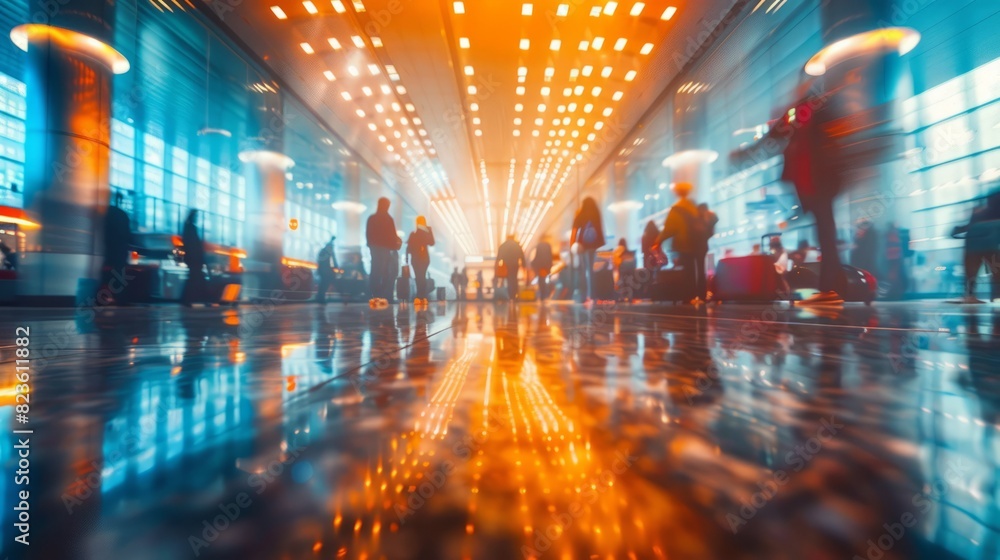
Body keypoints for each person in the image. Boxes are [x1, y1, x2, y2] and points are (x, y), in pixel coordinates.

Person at [780, 97, 847, 305]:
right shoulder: (803, 134)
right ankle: (834, 288)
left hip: (820, 190)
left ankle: (830, 289)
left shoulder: (813, 130)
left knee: (826, 239)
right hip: (815, 192)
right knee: (825, 239)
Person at [653, 182, 711, 303]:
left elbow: (669, 229)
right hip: (700, 243)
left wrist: (658, 241)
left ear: (677, 193)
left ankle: (689, 296)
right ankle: (702, 296)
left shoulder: (677, 209)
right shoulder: (694, 206)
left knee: (688, 270)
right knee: (701, 269)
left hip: (685, 244)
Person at [952, 192, 1000, 303]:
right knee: (996, 273)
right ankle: (993, 297)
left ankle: (970, 296)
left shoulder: (979, 213)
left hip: (974, 248)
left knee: (972, 275)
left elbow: (966, 228)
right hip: (987, 248)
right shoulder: (984, 214)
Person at [366, 197, 402, 307]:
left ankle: (374, 295)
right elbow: (392, 235)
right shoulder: (388, 219)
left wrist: (370, 245)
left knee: (375, 271)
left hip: (375, 248)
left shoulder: (372, 218)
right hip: (385, 249)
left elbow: (368, 234)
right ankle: (385, 296)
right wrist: (396, 243)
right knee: (386, 272)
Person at [570, 197, 605, 303]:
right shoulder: (596, 214)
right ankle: (594, 295)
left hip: (583, 247)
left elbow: (574, 231)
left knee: (584, 271)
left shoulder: (581, 214)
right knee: (593, 271)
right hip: (595, 247)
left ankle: (585, 295)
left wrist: (572, 244)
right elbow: (600, 230)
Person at [101, 192, 132, 304]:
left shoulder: (105, 213)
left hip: (108, 250)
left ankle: (105, 297)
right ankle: (117, 298)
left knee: (107, 273)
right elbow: (128, 235)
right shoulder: (123, 215)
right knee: (119, 274)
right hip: (121, 251)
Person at [406, 215, 435, 304]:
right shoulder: (424, 232)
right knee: (421, 276)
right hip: (423, 258)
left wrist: (407, 258)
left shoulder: (414, 234)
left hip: (416, 259)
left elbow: (409, 247)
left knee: (419, 277)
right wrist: (428, 231)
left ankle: (420, 295)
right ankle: (422, 296)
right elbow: (432, 242)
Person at [181, 209, 207, 307]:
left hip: (192, 258)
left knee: (192, 278)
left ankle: (187, 299)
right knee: (195, 278)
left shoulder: (187, 227)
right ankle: (192, 299)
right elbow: (194, 245)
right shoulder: (191, 228)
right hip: (195, 258)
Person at [497, 234, 525, 301]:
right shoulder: (517, 245)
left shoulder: (503, 245)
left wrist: (498, 264)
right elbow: (522, 256)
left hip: (506, 265)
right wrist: (524, 265)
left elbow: (499, 257)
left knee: (508, 279)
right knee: (514, 279)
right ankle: (514, 295)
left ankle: (509, 295)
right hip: (515, 264)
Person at [314, 236, 338, 303]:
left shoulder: (323, 250)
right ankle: (320, 297)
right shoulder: (329, 249)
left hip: (322, 270)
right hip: (325, 270)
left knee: (323, 284)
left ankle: (320, 297)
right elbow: (334, 258)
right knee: (325, 283)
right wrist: (336, 266)